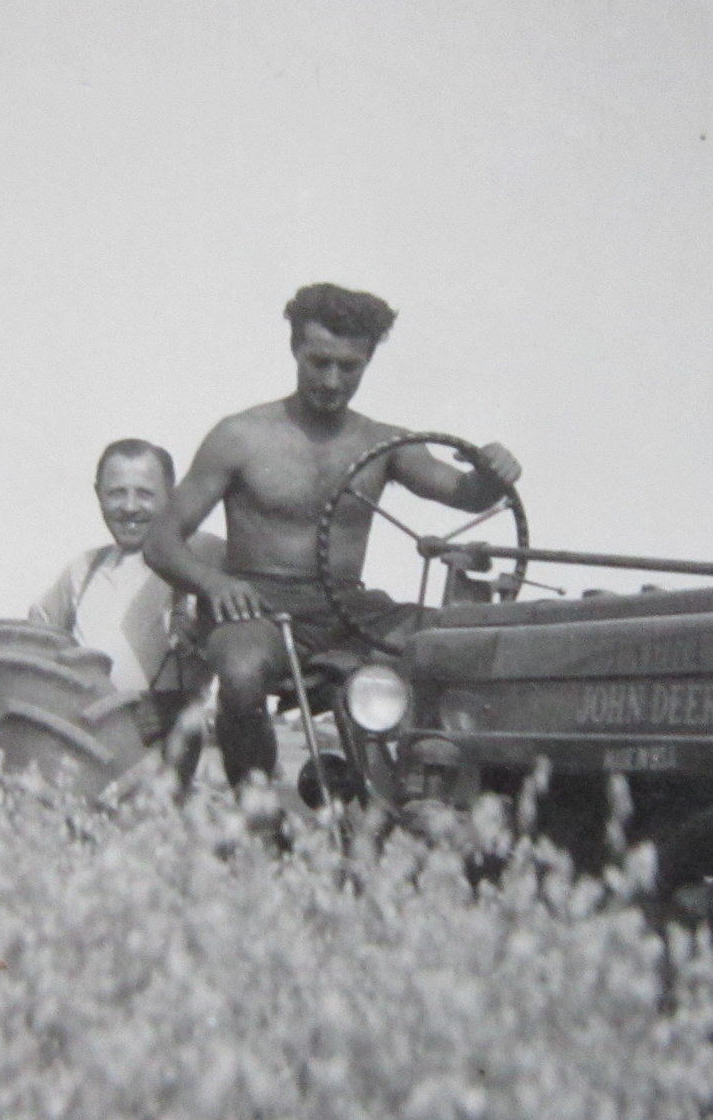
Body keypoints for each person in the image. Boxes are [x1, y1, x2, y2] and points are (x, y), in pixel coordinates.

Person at [144, 283, 521, 786]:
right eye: (319, 362)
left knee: (455, 645)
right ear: (295, 348)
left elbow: (466, 493)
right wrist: (215, 584)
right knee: (240, 674)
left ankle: (418, 795)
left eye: (349, 367)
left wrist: (494, 474)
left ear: (368, 361)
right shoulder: (239, 436)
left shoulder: (384, 443)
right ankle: (256, 807)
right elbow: (161, 542)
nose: (331, 380)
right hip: (260, 607)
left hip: (349, 609)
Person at [29, 438, 222, 745]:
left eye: (145, 494)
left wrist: (186, 705)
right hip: (87, 744)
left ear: (171, 495)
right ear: (98, 495)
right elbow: (34, 640)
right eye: (116, 493)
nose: (130, 507)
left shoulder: (202, 553)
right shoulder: (84, 569)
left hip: (166, 748)